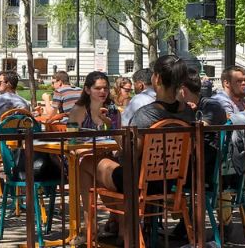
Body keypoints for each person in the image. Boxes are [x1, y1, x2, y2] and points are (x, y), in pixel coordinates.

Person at [79, 55, 192, 244]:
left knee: (86, 162)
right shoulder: (188, 112)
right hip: (172, 181)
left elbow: (130, 152)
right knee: (110, 166)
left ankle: (89, 227)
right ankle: (120, 228)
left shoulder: (147, 114)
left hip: (139, 183)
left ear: (156, 79)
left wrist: (114, 131)